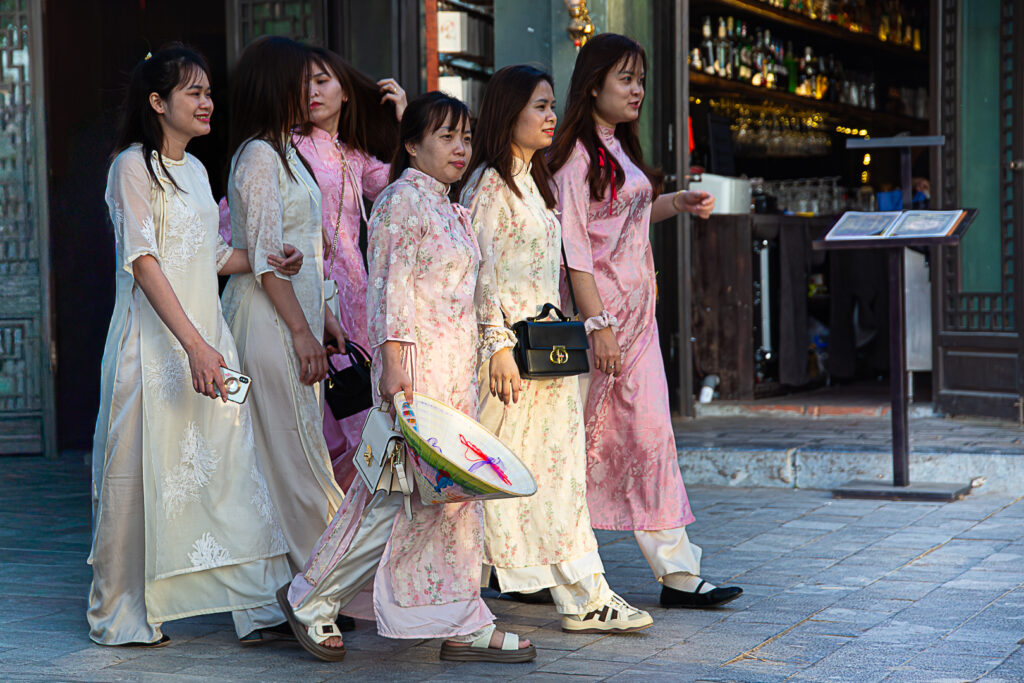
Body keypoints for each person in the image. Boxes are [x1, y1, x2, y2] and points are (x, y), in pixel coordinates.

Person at [277, 92, 534, 664]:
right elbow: (388, 286)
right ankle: (311, 598)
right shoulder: (400, 200)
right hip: (414, 379)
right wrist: (393, 364)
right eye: (446, 136)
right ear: (413, 145)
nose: (460, 147)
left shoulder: (450, 206)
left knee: (446, 502)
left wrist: (491, 348)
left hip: (452, 381)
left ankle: (460, 619)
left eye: (465, 137)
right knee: (389, 499)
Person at [89, 45, 298, 647]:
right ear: (158, 103)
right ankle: (123, 614)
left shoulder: (199, 172)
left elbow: (211, 256)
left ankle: (256, 606)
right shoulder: (132, 166)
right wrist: (195, 347)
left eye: (209, 92)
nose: (208, 103)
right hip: (152, 351)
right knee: (136, 480)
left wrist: (265, 258)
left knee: (231, 467)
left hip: (208, 344)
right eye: (194, 93)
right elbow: (144, 262)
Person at [548, 33, 742, 609]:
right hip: (599, 326)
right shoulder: (573, 156)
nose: (637, 91)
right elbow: (575, 249)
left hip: (638, 324)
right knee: (570, 443)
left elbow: (624, 216)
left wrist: (675, 203)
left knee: (649, 437)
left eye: (641, 80)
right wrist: (597, 326)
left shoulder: (618, 146)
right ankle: (522, 566)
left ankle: (678, 573)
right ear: (594, 85)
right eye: (626, 79)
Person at [460, 65, 652, 633]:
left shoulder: (533, 181)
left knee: (557, 480)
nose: (552, 117)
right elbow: (479, 273)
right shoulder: (489, 186)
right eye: (540, 106)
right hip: (511, 364)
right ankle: (450, 594)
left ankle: (584, 595)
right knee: (489, 481)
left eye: (551, 106)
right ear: (509, 111)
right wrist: (496, 345)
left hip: (547, 361)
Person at [220, 37, 348, 582]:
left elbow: (299, 250)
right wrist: (302, 331)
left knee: (293, 453)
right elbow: (268, 259)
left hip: (293, 315)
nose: (310, 90)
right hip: (268, 321)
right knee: (292, 457)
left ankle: (298, 588)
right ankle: (321, 584)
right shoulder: (258, 155)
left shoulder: (285, 151)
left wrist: (324, 317)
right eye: (300, 80)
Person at [294, 46, 406, 489]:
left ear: (345, 92)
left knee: (361, 406)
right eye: (303, 82)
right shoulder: (287, 147)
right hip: (310, 291)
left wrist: (406, 122)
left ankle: (358, 511)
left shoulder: (351, 154)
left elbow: (398, 185)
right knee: (321, 411)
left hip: (355, 296)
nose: (311, 91)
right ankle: (327, 513)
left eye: (322, 81)